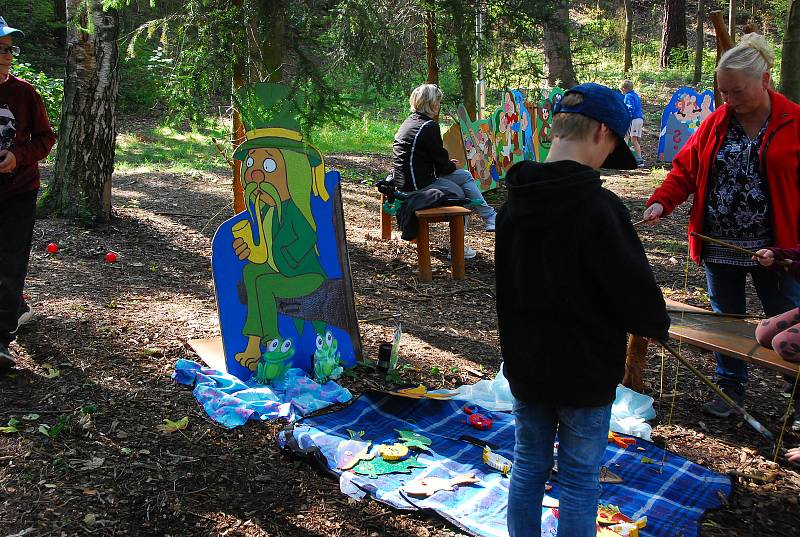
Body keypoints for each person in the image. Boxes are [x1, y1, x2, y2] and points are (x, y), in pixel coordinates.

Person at [496, 83, 670, 537]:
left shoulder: (513, 204)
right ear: (599, 132)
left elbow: (507, 288)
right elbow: (632, 286)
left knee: (528, 466)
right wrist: (654, 323)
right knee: (577, 478)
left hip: (528, 365)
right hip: (585, 370)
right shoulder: (599, 208)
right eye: (612, 145)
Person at [642, 33, 800, 421]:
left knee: (787, 316)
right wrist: (663, 200)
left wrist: (790, 252)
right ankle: (730, 389)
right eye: (724, 91)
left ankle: (798, 400)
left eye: (737, 91)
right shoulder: (716, 122)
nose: (729, 99)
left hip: (777, 249)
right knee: (724, 317)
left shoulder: (794, 122)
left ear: (764, 80)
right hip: (718, 241)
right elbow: (685, 169)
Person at [0, 16, 56, 371]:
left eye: (10, 48)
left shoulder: (24, 93)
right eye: (0, 48)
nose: (7, 55)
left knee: (10, 263)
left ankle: (1, 339)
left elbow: (45, 138)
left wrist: (17, 157)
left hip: (18, 192)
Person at [392, 83, 496, 259]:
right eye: (438, 101)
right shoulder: (429, 126)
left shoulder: (410, 122)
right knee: (462, 195)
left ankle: (490, 217)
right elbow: (441, 164)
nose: (439, 105)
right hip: (418, 187)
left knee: (464, 175)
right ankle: (458, 248)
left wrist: (448, 164)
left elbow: (429, 158)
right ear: (431, 103)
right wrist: (449, 165)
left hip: (407, 181)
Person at [620, 79, 644, 166]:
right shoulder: (635, 95)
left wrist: (626, 117)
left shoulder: (628, 96)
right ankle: (638, 159)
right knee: (633, 139)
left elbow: (630, 108)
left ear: (623, 89)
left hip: (633, 119)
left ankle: (627, 159)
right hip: (639, 119)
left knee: (627, 138)